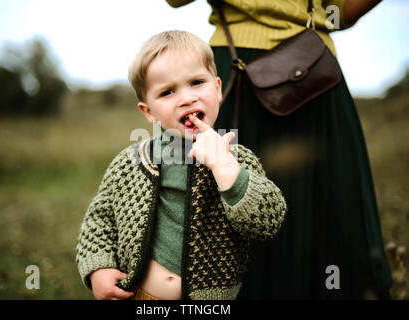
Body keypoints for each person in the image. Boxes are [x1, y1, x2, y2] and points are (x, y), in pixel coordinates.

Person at [165, 0, 392, 299]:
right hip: (272, 68)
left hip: (300, 72)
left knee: (322, 216)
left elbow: (337, 11)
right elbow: (340, 12)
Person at [75, 30, 287, 300]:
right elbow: (99, 219)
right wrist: (99, 268)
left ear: (218, 89)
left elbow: (269, 219)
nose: (186, 98)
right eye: (168, 92)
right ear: (149, 111)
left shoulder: (235, 157)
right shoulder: (132, 161)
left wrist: (224, 166)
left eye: (197, 82)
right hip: (141, 295)